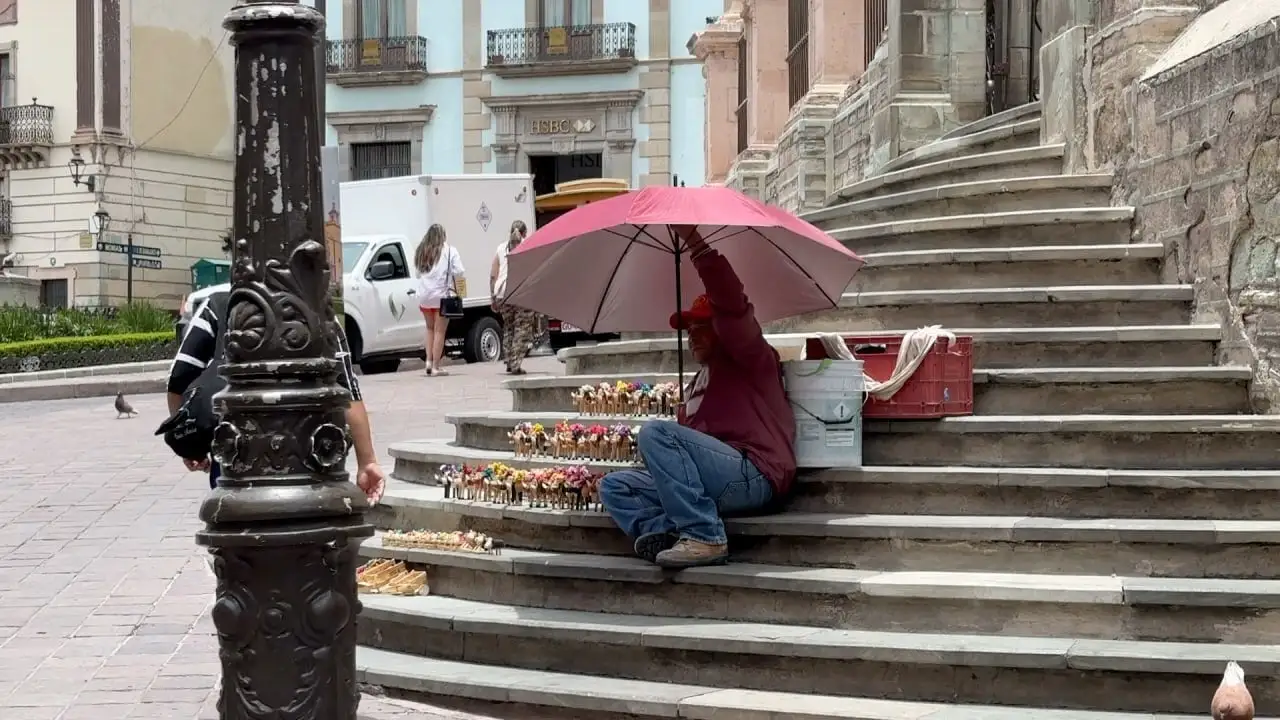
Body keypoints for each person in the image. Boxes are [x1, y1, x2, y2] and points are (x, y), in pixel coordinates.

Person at [598, 225, 796, 569]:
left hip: (754, 473)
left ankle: (705, 536)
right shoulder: (697, 382)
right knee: (615, 486)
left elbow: (733, 304)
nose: (691, 337)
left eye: (700, 328)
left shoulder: (751, 355)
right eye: (688, 331)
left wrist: (695, 243)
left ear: (721, 330)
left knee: (655, 434)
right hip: (714, 478)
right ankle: (667, 532)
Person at [165, 289, 386, 502]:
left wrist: (191, 443)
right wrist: (367, 461)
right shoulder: (317, 311)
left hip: (235, 453)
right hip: (310, 456)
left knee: (235, 525)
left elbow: (179, 377)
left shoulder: (219, 305)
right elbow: (347, 388)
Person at [414, 223, 465, 376]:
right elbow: (460, 271)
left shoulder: (422, 251)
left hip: (424, 296)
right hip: (441, 296)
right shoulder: (449, 251)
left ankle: (428, 363)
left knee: (429, 329)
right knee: (439, 331)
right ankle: (436, 366)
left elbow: (417, 274)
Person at [490, 219, 538, 375]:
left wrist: (493, 297)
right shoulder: (528, 245)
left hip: (502, 293)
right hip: (520, 292)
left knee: (509, 328)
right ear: (524, 233)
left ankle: (509, 361)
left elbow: (493, 275)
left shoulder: (500, 248)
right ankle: (516, 363)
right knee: (522, 329)